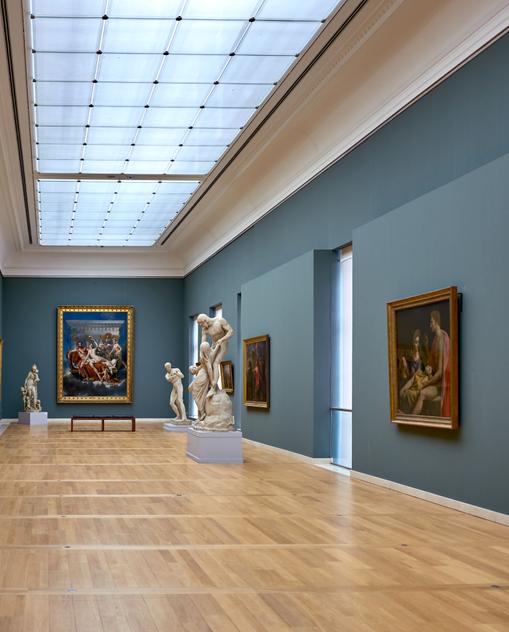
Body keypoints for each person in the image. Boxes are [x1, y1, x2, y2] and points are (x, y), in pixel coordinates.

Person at [411, 310, 450, 416]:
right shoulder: (436, 339)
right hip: (435, 380)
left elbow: (440, 373)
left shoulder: (442, 340)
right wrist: (429, 368)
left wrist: (426, 383)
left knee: (422, 392)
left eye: (431, 322)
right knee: (414, 385)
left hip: (442, 385)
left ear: (436, 322)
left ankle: (412, 418)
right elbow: (432, 364)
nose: (430, 325)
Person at [196, 313, 233, 396]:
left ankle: (213, 388)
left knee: (215, 363)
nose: (202, 326)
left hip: (223, 343)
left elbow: (231, 331)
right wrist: (201, 355)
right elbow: (202, 342)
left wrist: (222, 339)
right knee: (208, 364)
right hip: (214, 345)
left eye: (201, 324)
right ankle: (212, 385)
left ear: (205, 320)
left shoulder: (220, 321)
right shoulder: (205, 329)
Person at [188, 342, 216, 420]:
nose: (194, 368)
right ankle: (202, 412)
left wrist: (212, 380)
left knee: (196, 395)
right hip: (202, 376)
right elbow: (206, 368)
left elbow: (209, 369)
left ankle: (202, 412)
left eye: (193, 367)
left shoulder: (204, 358)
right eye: (192, 369)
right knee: (197, 394)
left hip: (202, 376)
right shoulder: (204, 357)